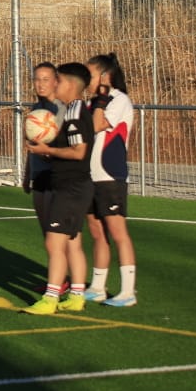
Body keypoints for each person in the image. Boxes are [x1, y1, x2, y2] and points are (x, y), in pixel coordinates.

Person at [22, 61, 95, 315]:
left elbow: (79, 152)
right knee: (72, 243)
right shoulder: (71, 110)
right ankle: (76, 296)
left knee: (55, 244)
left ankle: (51, 298)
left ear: (71, 85)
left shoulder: (73, 113)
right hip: (69, 184)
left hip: (71, 187)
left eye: (58, 80)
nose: (53, 84)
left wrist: (47, 150)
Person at [83, 51, 138, 307]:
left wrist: (101, 101)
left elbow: (97, 126)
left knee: (118, 232)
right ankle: (97, 287)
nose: (86, 79)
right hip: (90, 176)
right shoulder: (92, 102)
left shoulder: (119, 100)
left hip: (110, 175)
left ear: (105, 76)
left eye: (90, 74)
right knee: (96, 232)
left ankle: (128, 292)